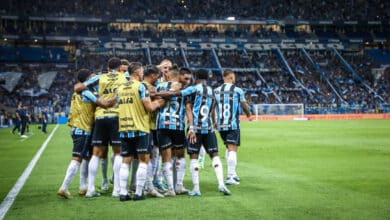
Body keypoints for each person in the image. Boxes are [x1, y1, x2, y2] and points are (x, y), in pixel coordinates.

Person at [157, 69, 231, 196]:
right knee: (215, 155)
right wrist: (214, 122)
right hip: (209, 128)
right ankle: (221, 184)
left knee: (193, 158)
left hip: (195, 129)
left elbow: (178, 95)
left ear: (196, 77)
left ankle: (196, 189)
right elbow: (213, 108)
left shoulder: (193, 89)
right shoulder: (212, 91)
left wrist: (155, 93)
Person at [57, 69, 116, 199]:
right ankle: (64, 187)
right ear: (88, 79)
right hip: (82, 129)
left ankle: (84, 186)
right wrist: (119, 96)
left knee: (87, 158)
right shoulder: (87, 91)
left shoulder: (77, 92)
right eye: (92, 77)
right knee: (77, 158)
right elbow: (104, 104)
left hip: (80, 129)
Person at [76, 57, 127, 198]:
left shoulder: (100, 77)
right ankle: (117, 189)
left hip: (100, 117)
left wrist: (98, 97)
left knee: (96, 154)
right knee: (118, 153)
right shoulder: (124, 77)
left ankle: (90, 189)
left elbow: (79, 87)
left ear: (108, 67)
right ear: (120, 67)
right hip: (116, 116)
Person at [117, 62, 164, 201]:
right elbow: (149, 107)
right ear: (137, 72)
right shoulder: (141, 86)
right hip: (140, 128)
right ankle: (138, 193)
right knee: (144, 160)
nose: (143, 73)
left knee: (126, 161)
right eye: (142, 71)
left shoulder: (120, 88)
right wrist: (161, 101)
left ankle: (123, 193)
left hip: (125, 127)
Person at [155, 65, 192, 196]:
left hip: (162, 125)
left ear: (169, 75)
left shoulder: (159, 87)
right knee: (180, 156)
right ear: (178, 76)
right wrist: (191, 127)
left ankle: (170, 188)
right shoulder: (185, 89)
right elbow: (188, 108)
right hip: (178, 126)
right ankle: (179, 186)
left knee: (166, 158)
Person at [214, 70, 251, 185]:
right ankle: (230, 177)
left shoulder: (216, 91)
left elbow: (212, 108)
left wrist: (214, 121)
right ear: (230, 77)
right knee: (232, 149)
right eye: (233, 77)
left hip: (221, 125)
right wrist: (248, 113)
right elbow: (244, 104)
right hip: (233, 124)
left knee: (229, 147)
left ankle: (233, 173)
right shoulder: (237, 90)